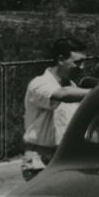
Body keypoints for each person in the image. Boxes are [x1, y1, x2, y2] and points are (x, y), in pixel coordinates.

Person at [21, 37, 92, 180]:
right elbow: (62, 94)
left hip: (66, 158)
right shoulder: (40, 83)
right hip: (41, 160)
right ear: (60, 59)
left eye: (84, 62)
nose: (82, 67)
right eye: (77, 62)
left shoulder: (73, 87)